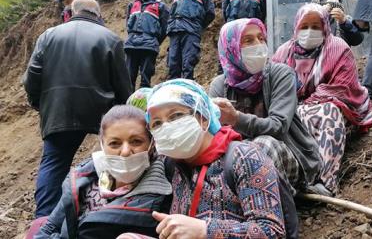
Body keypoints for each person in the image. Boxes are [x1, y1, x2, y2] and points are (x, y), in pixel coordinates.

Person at [119, 79, 286, 238]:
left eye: (176, 116)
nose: (167, 127)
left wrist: (205, 230)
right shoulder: (170, 164)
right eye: (157, 123)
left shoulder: (245, 158)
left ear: (204, 119)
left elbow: (273, 231)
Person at [23, 0, 132, 218]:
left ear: (72, 11)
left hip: (58, 110)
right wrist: (123, 118)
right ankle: (107, 210)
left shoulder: (48, 36)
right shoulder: (110, 38)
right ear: (98, 14)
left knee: (53, 164)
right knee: (110, 157)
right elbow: (123, 83)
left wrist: (41, 105)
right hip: (99, 111)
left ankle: (43, 220)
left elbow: (31, 78)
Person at [209, 18, 322, 195]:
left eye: (261, 38)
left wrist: (235, 119)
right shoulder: (220, 85)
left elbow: (278, 126)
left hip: (287, 154)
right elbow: (214, 134)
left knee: (261, 146)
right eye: (248, 40)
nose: (258, 45)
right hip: (237, 160)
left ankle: (268, 211)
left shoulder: (281, 74)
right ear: (230, 48)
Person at [272, 3, 372, 196]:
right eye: (304, 26)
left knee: (328, 113)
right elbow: (275, 89)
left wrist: (301, 107)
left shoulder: (338, 49)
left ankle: (325, 181)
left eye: (316, 27)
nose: (309, 32)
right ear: (296, 27)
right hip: (295, 109)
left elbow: (342, 88)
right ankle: (291, 182)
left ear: (325, 27)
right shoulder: (283, 53)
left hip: (339, 107)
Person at [33, 105, 172, 238]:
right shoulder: (83, 179)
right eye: (114, 143)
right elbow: (51, 226)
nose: (125, 152)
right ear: (102, 145)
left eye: (136, 141)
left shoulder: (162, 195)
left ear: (151, 145)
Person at [167, 0, 215, 80]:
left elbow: (210, 14)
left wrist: (197, 26)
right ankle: (172, 93)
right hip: (175, 30)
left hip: (191, 32)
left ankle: (187, 92)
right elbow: (171, 13)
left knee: (188, 64)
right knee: (173, 64)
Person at [125, 0, 170, 89]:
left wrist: (154, 40)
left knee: (145, 80)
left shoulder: (161, 6)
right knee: (129, 79)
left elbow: (165, 28)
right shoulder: (132, 4)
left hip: (149, 47)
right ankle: (128, 104)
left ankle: (143, 105)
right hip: (131, 46)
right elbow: (128, 24)